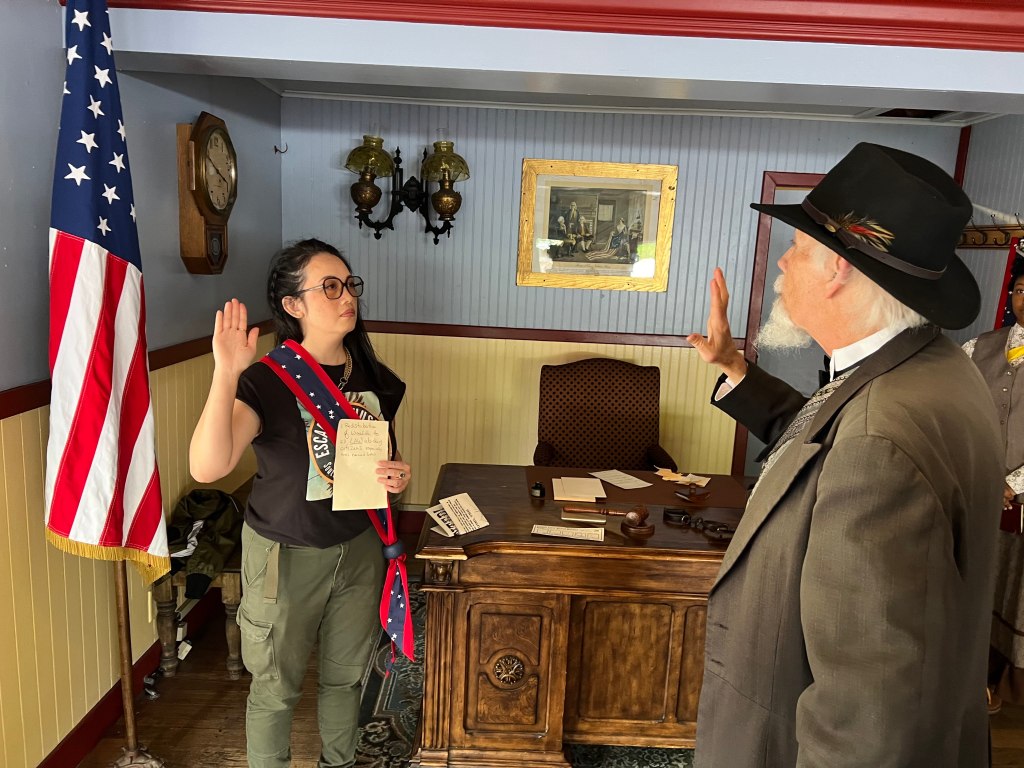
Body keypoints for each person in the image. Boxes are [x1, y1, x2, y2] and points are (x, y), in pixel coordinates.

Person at [686, 143, 1004, 767]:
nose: (783, 262)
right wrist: (733, 369)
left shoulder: (877, 447)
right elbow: (821, 450)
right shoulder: (927, 368)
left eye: (800, 247)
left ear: (837, 270)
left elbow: (869, 724)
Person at [189, 238, 412, 768]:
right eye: (329, 287)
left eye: (349, 285)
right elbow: (208, 466)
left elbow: (387, 458)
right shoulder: (265, 380)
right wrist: (226, 371)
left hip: (359, 549)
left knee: (344, 678)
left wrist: (398, 476)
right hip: (285, 557)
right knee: (276, 687)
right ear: (293, 305)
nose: (346, 297)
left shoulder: (374, 378)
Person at [963, 265, 1024, 715]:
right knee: (972, 580)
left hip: (1020, 499)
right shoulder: (976, 348)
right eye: (1021, 289)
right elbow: (957, 414)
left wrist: (1013, 483)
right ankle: (970, 679)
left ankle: (1006, 686)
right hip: (977, 489)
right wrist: (984, 475)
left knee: (1014, 593)